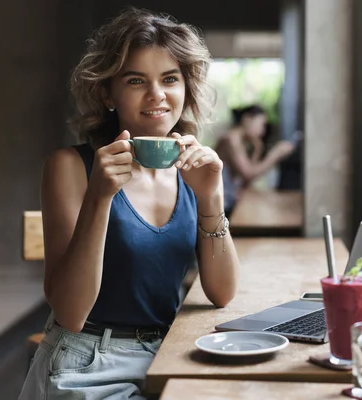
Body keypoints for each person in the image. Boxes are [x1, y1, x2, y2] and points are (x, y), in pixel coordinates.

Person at [18, 7, 239, 399]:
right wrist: (100, 197)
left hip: (168, 355)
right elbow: (70, 313)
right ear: (108, 93)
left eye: (170, 79)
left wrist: (211, 196)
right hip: (86, 365)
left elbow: (221, 292)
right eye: (136, 80)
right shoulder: (72, 167)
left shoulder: (190, 171)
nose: (157, 95)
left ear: (186, 88)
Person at [215, 105, 296, 217]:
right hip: (222, 206)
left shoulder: (240, 141)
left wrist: (257, 150)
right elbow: (248, 174)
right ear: (247, 119)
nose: (262, 132)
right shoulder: (231, 139)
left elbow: (246, 181)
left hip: (229, 202)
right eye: (261, 125)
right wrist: (275, 155)